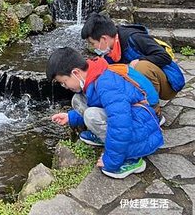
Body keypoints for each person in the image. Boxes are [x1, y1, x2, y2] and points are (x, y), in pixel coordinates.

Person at [47, 47, 164, 179]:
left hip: (142, 130)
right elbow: (100, 105)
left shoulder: (106, 84)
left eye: (64, 82)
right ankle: (104, 137)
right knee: (78, 100)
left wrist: (111, 161)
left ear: (76, 73)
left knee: (91, 116)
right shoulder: (94, 74)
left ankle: (132, 159)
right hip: (134, 120)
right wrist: (70, 117)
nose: (65, 87)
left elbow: (120, 125)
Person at [80, 13, 185, 109]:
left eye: (93, 43)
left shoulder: (135, 37)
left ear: (104, 39)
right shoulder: (110, 52)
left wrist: (138, 60)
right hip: (143, 83)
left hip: (168, 84)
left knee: (141, 67)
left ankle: (153, 112)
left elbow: (164, 57)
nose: (93, 47)